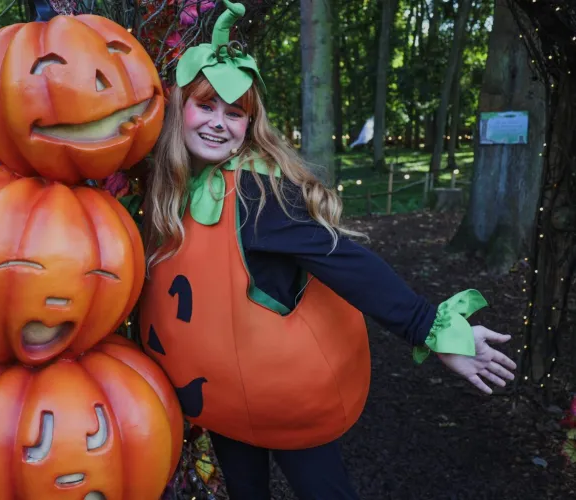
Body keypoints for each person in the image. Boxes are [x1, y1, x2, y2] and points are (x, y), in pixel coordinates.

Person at [136, 1, 517, 498]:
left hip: (286, 395)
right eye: (205, 106)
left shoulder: (255, 195)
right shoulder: (170, 195)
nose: (218, 123)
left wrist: (430, 327)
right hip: (222, 399)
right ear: (179, 107)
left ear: (250, 126)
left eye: (235, 114)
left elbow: (344, 261)